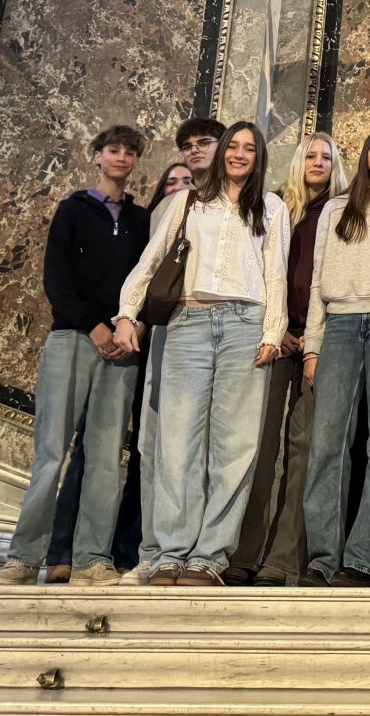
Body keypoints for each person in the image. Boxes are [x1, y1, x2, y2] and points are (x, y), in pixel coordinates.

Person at [113, 121, 287, 587]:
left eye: (250, 148)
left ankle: (209, 556)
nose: (239, 154)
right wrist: (128, 311)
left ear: (259, 156)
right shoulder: (190, 201)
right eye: (234, 146)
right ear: (223, 151)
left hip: (246, 326)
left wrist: (274, 329)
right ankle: (172, 552)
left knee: (234, 448)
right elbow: (153, 258)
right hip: (189, 324)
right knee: (177, 445)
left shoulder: (270, 207)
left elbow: (276, 273)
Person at [0, 126, 150, 587]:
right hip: (73, 340)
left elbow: (147, 279)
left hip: (122, 348)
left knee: (104, 459)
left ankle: (91, 558)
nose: (121, 158)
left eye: (129, 152)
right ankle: (23, 557)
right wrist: (94, 326)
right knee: (51, 453)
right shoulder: (73, 210)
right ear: (97, 156)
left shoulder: (141, 221)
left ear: (136, 161)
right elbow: (56, 279)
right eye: (113, 150)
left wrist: (129, 326)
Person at [46, 156, 192, 583]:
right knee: (91, 451)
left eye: (188, 182)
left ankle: (119, 550)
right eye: (172, 182)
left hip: (159, 345)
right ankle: (64, 551)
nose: (180, 188)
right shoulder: (141, 226)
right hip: (119, 343)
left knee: (142, 454)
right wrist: (109, 328)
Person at [231, 133, 346, 586]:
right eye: (310, 156)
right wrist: (277, 328)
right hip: (273, 339)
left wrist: (312, 335)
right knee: (259, 448)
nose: (317, 163)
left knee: (306, 452)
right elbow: (257, 271)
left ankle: (282, 560)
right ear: (298, 162)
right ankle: (241, 553)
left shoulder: (343, 210)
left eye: (326, 157)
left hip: (324, 340)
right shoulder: (273, 206)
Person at [299, 126, 370, 587]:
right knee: (328, 444)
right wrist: (312, 345)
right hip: (341, 323)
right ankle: (322, 558)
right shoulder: (335, 208)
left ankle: (364, 559)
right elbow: (316, 279)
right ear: (364, 154)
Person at [123, 119, 226, 584]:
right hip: (172, 324)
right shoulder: (174, 203)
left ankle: (200, 551)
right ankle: (154, 550)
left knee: (212, 445)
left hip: (224, 328)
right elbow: (150, 269)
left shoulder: (253, 202)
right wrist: (132, 317)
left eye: (203, 142)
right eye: (187, 146)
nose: (193, 151)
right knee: (158, 438)